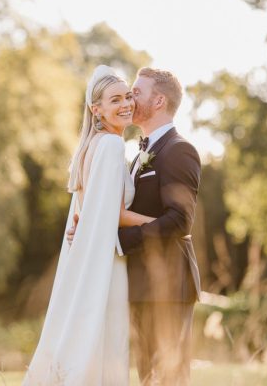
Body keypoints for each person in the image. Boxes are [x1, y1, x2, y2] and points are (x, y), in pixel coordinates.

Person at [68, 67, 202, 386]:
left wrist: (121, 240)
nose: (130, 99)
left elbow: (180, 220)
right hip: (141, 282)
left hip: (169, 285)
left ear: (158, 101)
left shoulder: (179, 150)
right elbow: (118, 209)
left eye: (136, 93)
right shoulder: (139, 153)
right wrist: (89, 229)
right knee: (148, 377)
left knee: (169, 378)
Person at [22, 65, 154, 385]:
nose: (126, 104)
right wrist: (165, 224)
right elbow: (113, 212)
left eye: (127, 97)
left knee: (92, 338)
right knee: (107, 339)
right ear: (97, 109)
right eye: (115, 100)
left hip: (91, 255)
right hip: (106, 262)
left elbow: (88, 210)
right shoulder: (109, 146)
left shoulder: (90, 146)